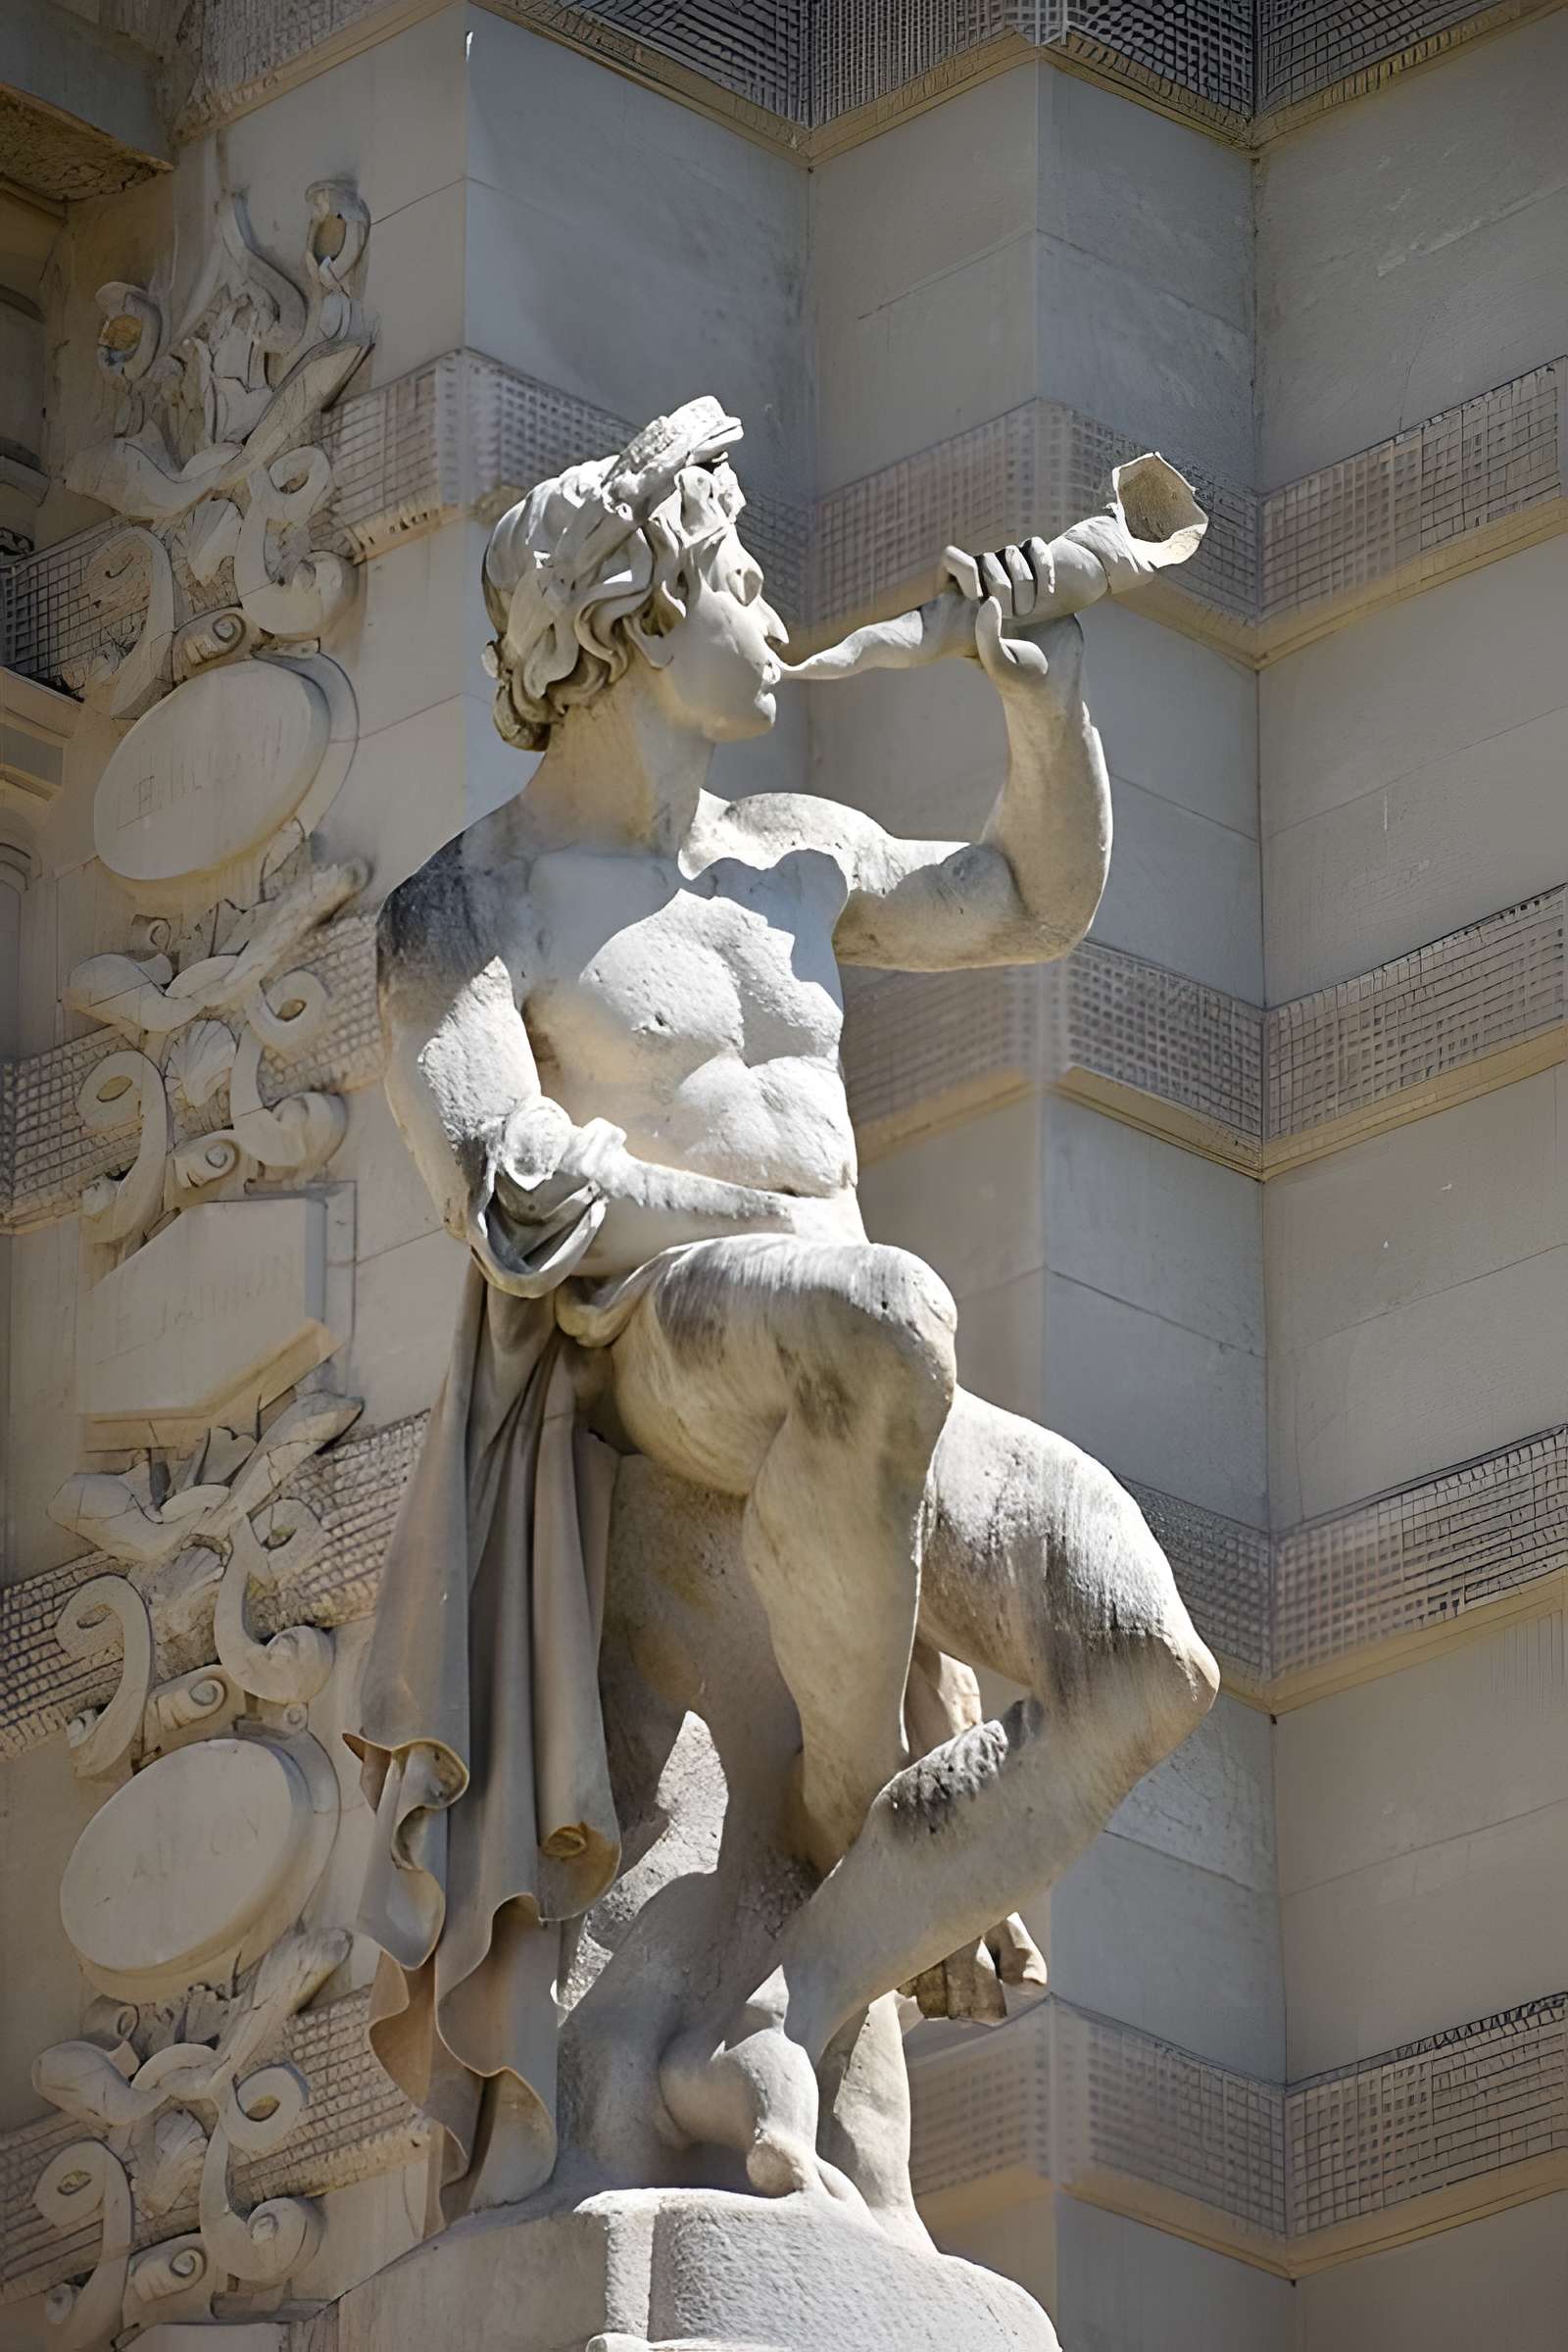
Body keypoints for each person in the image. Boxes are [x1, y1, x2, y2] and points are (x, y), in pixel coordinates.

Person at [353, 396, 1219, 2219]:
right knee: (886, 1310)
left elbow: (1032, 899)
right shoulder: (469, 908)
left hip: (850, 1355)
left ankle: (794, 1993)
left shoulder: (799, 848)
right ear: (622, 624)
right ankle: (859, 1777)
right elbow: (511, 1182)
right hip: (660, 1350)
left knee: (1145, 1661)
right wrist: (750, 1214)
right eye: (733, 579)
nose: (771, 610)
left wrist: (1036, 703)